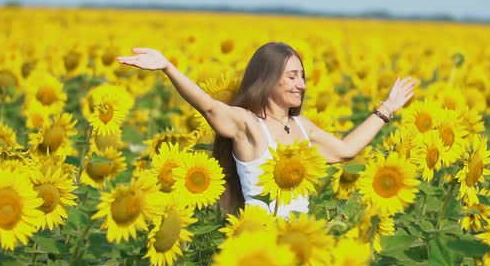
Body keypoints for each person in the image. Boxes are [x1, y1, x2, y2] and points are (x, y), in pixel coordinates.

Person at [117, 42, 416, 217]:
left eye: (303, 76)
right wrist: (167, 67)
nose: (301, 84)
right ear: (269, 79)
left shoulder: (302, 127)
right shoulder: (249, 126)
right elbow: (209, 107)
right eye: (292, 76)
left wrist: (386, 108)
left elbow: (346, 150)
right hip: (258, 244)